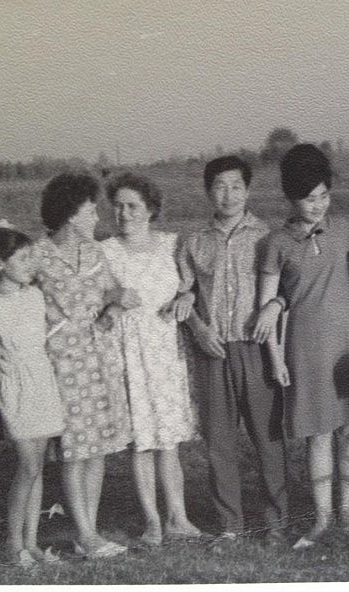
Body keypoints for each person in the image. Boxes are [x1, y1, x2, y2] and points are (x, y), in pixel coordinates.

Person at [258, 144, 349, 549]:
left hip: (348, 340)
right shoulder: (275, 242)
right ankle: (322, 519)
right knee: (318, 432)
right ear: (292, 198)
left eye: (324, 196)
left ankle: (347, 514)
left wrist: (344, 305)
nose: (319, 205)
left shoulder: (346, 229)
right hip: (305, 345)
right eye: (310, 198)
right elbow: (266, 307)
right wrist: (276, 357)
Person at [177, 155, 288, 546]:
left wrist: (273, 308)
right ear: (209, 191)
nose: (229, 195)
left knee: (267, 437)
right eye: (220, 186)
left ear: (248, 190)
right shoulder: (193, 241)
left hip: (255, 348)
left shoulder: (267, 236)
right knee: (219, 443)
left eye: (236, 186)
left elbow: (285, 290)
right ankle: (230, 526)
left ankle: (276, 521)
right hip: (213, 350)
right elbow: (183, 296)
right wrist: (197, 327)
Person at [34, 172, 134, 558]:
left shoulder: (95, 253)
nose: (97, 219)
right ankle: (87, 533)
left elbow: (109, 292)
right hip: (64, 363)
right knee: (76, 450)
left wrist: (114, 303)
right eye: (91, 211)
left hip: (100, 359)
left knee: (97, 449)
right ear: (71, 215)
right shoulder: (38, 256)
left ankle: (86, 532)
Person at [102, 173, 201, 546]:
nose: (124, 213)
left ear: (151, 210)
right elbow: (93, 298)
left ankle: (179, 517)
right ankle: (152, 521)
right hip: (126, 350)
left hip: (164, 349)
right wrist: (111, 295)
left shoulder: (171, 245)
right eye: (118, 206)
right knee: (141, 440)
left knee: (168, 440)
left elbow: (191, 285)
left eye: (133, 206)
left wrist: (187, 298)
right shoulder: (105, 251)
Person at [0, 224, 65, 567]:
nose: (31, 264)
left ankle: (32, 542)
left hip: (41, 384)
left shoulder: (35, 295)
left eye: (31, 257)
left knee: (38, 466)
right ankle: (14, 546)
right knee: (27, 466)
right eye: (22, 258)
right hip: (14, 390)